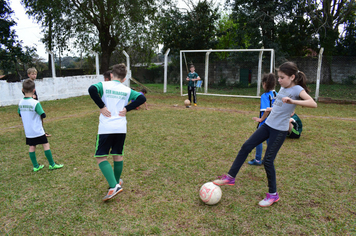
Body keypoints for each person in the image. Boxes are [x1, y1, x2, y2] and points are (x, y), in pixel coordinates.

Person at [213, 61, 317, 207]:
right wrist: (262, 118)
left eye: (282, 77)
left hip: (279, 130)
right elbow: (276, 107)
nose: (279, 80)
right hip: (267, 125)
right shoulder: (283, 87)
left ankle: (273, 195)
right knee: (246, 146)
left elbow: (313, 103)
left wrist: (292, 101)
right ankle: (230, 177)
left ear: (292, 77)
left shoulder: (297, 89)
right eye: (279, 77)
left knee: (268, 161)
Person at [88, 63, 146, 201]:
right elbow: (142, 98)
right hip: (121, 128)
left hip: (106, 128)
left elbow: (91, 89)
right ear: (124, 78)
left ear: (111, 75)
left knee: (101, 157)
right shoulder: (126, 90)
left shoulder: (103, 85)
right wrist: (128, 108)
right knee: (117, 155)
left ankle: (114, 186)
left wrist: (101, 106)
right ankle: (117, 180)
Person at [18, 79, 64, 172]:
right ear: (34, 90)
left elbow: (20, 114)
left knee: (32, 147)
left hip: (28, 131)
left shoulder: (20, 103)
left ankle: (35, 166)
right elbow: (43, 115)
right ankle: (52, 164)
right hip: (38, 130)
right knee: (46, 145)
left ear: (22, 90)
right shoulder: (35, 103)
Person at [248, 73, 277, 166]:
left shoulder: (265, 95)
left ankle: (257, 160)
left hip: (265, 123)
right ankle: (269, 159)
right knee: (270, 141)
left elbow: (266, 110)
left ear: (265, 84)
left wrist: (261, 119)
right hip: (274, 123)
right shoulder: (277, 94)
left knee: (257, 140)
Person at [26, 67, 51, 137]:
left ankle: (40, 132)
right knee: (39, 116)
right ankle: (41, 133)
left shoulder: (32, 82)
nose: (34, 76)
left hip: (35, 102)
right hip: (33, 103)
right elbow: (23, 90)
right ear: (29, 75)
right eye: (32, 74)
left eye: (35, 74)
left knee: (39, 117)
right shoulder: (28, 83)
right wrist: (30, 96)